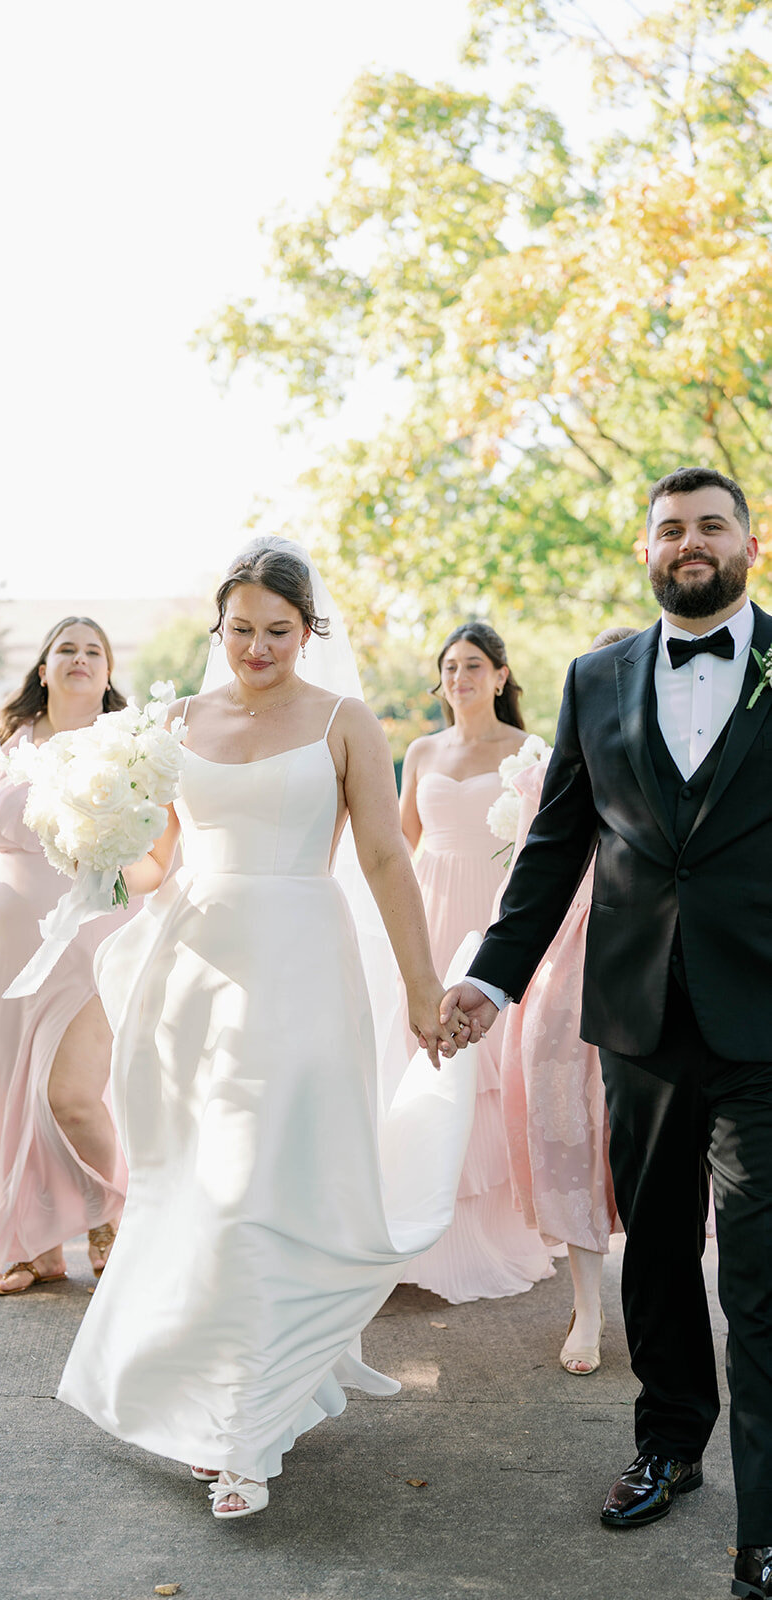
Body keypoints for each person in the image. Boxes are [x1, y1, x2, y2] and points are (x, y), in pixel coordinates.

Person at [57, 537, 476, 1520]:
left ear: (308, 630)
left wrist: (420, 987)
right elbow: (159, 860)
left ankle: (240, 1434)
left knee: (255, 1183)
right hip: (190, 972)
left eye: (275, 631)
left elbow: (380, 855)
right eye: (239, 628)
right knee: (201, 1188)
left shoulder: (342, 722)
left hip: (295, 966)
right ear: (220, 627)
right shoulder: (171, 722)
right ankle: (208, 1391)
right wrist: (98, 852)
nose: (254, 646)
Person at [446, 468, 772, 1599]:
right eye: (670, 528)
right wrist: (486, 984)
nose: (690, 542)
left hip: (763, 1024)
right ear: (645, 550)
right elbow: (552, 848)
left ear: (747, 541)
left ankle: (764, 1532)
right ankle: (668, 1444)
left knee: (762, 1278)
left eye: (710, 525)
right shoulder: (594, 679)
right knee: (658, 1251)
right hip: (634, 1019)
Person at [0, 617, 142, 1294]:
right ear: (42, 670)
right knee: (0, 1094)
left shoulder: (125, 750)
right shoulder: (0, 749)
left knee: (69, 1098)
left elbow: (160, 853)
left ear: (107, 675)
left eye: (93, 651)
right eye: (64, 649)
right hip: (2, 950)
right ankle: (22, 1244)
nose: (79, 659)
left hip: (87, 943)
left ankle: (110, 1214)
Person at [395, 623, 554, 1302]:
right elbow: (402, 840)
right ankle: (414, 1218)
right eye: (449, 667)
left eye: (472, 665)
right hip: (428, 907)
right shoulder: (421, 749)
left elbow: (544, 842)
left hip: (491, 915)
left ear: (499, 675)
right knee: (418, 1060)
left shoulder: (527, 751)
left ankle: (482, 1225)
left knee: (483, 1073)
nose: (458, 677)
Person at [497, 626, 636, 1375]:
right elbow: (531, 878)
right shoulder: (536, 776)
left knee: (643, 1139)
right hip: (563, 964)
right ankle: (587, 1305)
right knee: (571, 1137)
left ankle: (652, 1300)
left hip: (647, 958)